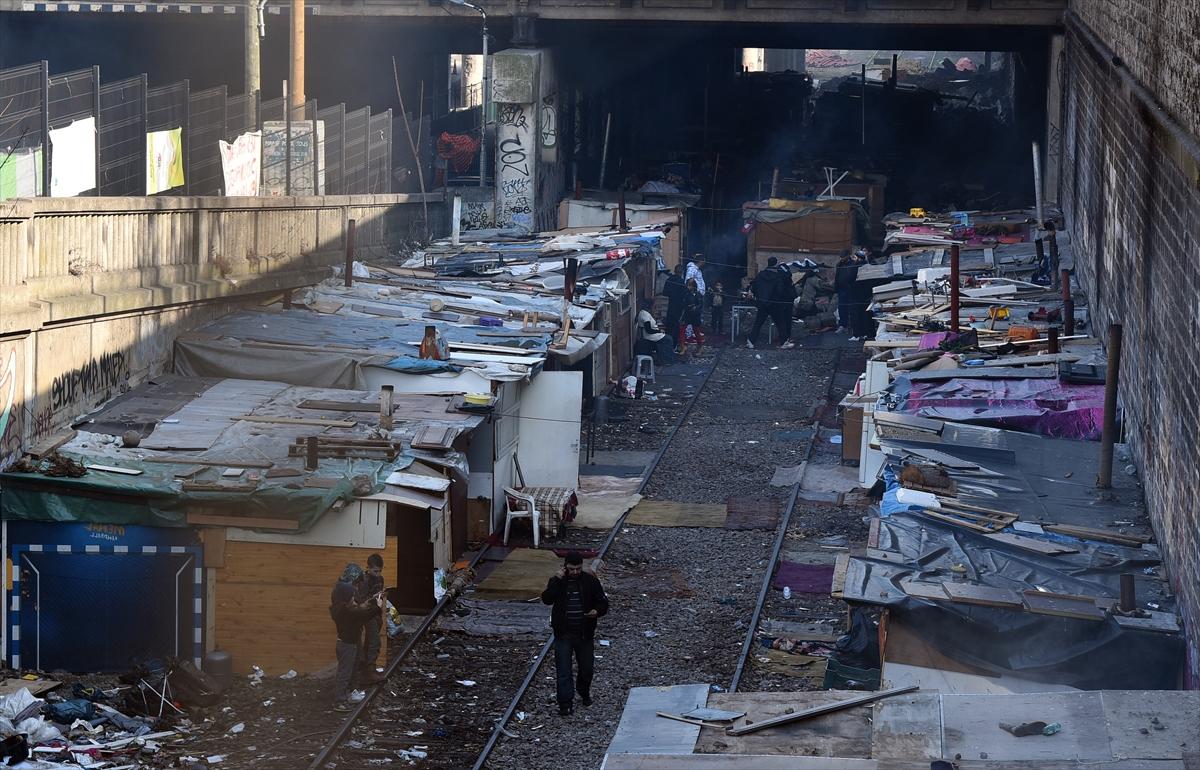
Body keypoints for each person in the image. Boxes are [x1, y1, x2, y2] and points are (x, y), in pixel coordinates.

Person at [541, 551, 608, 716]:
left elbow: (603, 602)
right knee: (563, 670)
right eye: (572, 569)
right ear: (565, 568)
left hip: (584, 633)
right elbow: (547, 599)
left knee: (586, 668)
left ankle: (583, 691)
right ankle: (565, 703)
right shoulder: (558, 581)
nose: (575, 572)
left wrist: (596, 611)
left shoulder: (590, 581)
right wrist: (557, 580)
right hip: (564, 634)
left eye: (578, 569)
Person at [330, 563, 378, 712]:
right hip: (347, 644)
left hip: (348, 642)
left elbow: (357, 611)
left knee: (349, 669)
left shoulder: (342, 609)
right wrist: (376, 606)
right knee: (345, 672)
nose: (355, 597)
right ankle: (340, 700)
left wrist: (367, 605)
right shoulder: (347, 614)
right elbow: (360, 615)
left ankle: (348, 694)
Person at [748, 257, 797, 350]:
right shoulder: (778, 277)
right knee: (781, 323)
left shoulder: (760, 275)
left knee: (758, 323)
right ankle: (784, 342)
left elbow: (754, 287)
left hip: (762, 303)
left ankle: (750, 341)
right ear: (776, 264)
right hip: (774, 304)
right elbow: (780, 291)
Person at [356, 554, 387, 685]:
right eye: (375, 571)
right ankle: (369, 670)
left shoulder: (380, 579)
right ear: (368, 568)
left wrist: (382, 596)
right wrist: (373, 598)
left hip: (376, 613)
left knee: (370, 641)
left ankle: (366, 669)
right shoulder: (364, 580)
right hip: (368, 614)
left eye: (379, 571)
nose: (377, 574)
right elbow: (361, 600)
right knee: (375, 642)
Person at [636, 297, 674, 364]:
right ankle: (665, 359)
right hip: (649, 336)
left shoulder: (645, 313)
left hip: (652, 334)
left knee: (668, 338)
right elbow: (649, 330)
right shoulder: (645, 315)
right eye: (653, 306)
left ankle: (665, 358)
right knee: (668, 339)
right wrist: (659, 331)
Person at [661, 264, 687, 350]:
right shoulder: (681, 282)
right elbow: (684, 295)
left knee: (669, 326)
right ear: (681, 272)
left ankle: (667, 345)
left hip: (671, 305)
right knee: (676, 327)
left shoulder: (669, 280)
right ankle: (674, 346)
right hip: (679, 307)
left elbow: (665, 292)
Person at [679, 278, 706, 356]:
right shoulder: (685, 294)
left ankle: (700, 347)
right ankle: (682, 346)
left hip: (695, 315)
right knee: (682, 329)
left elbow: (700, 305)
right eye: (687, 285)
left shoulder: (698, 295)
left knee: (696, 331)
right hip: (687, 314)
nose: (688, 287)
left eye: (690, 285)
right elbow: (683, 303)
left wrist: (695, 308)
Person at [834, 249, 857, 334]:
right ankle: (843, 325)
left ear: (848, 256)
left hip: (850, 289)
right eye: (841, 257)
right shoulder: (839, 264)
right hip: (841, 288)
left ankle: (852, 326)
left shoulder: (853, 264)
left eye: (843, 257)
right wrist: (836, 288)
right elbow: (837, 277)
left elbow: (853, 276)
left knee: (851, 308)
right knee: (842, 307)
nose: (842, 258)